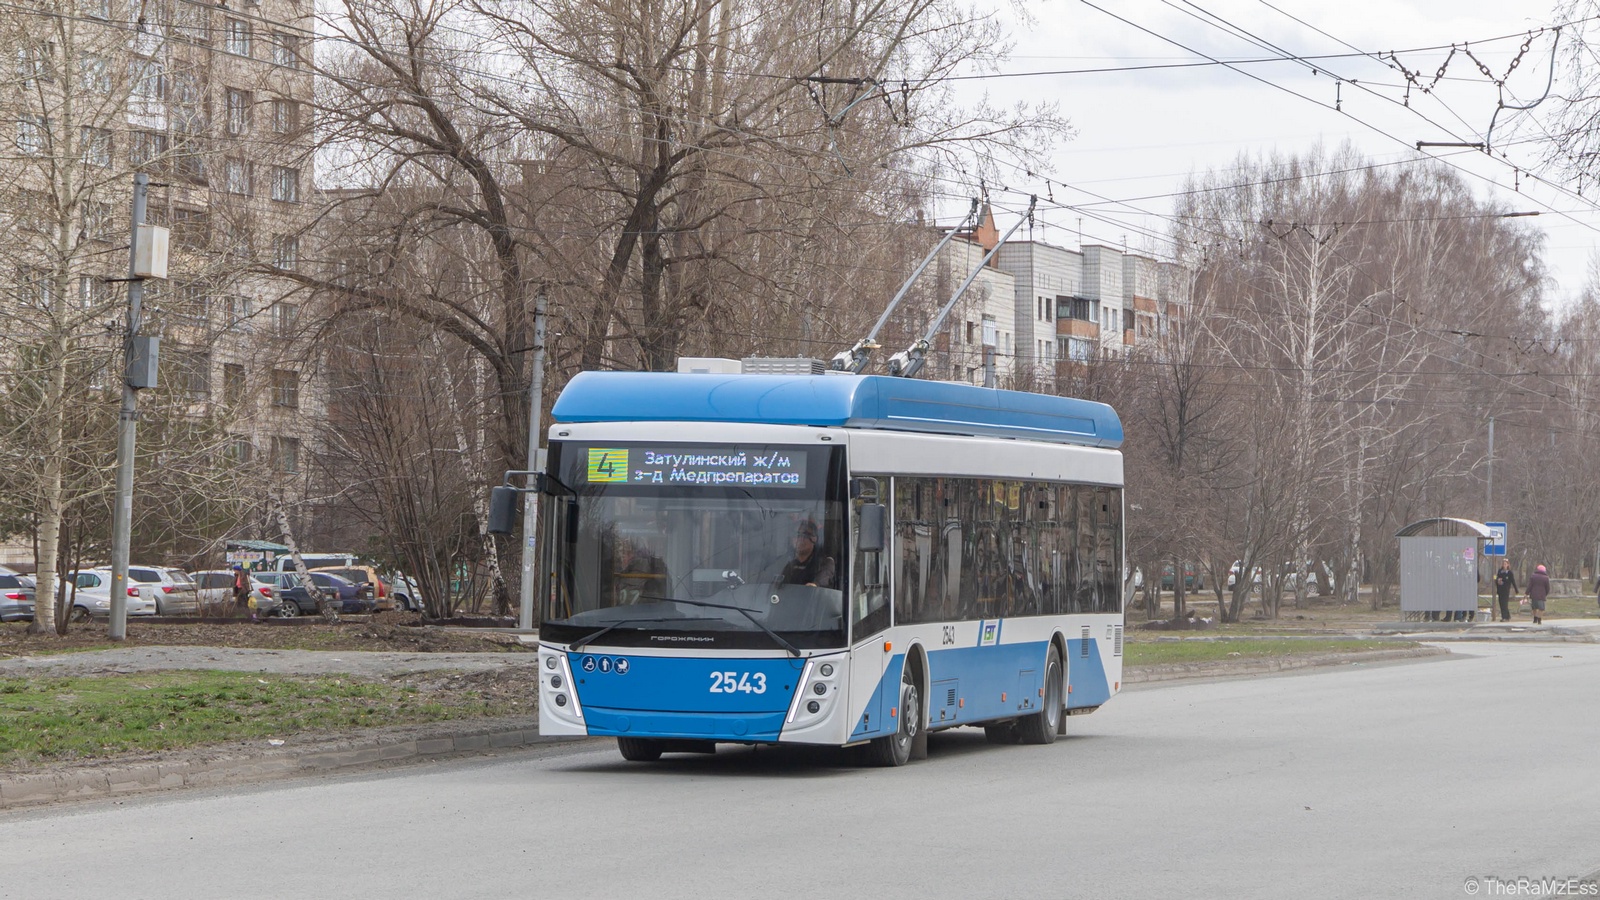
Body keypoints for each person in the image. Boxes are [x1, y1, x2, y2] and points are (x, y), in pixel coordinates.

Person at [778, 518, 836, 589]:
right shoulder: (784, 561)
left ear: (814, 538)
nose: (800, 539)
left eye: (805, 535)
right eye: (797, 535)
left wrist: (815, 585)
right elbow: (767, 578)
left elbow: (822, 581)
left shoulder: (825, 562)